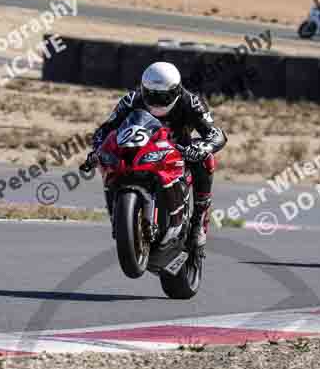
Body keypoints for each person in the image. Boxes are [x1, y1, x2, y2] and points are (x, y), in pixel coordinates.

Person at [88, 62, 227, 257]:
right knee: (109, 160)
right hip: (139, 152)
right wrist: (98, 147)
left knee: (206, 159)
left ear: (177, 90)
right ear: (143, 90)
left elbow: (216, 134)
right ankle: (119, 217)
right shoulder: (131, 100)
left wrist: (202, 147)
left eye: (163, 97)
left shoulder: (191, 102)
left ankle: (199, 221)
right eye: (151, 95)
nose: (157, 102)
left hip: (179, 153)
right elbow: (105, 128)